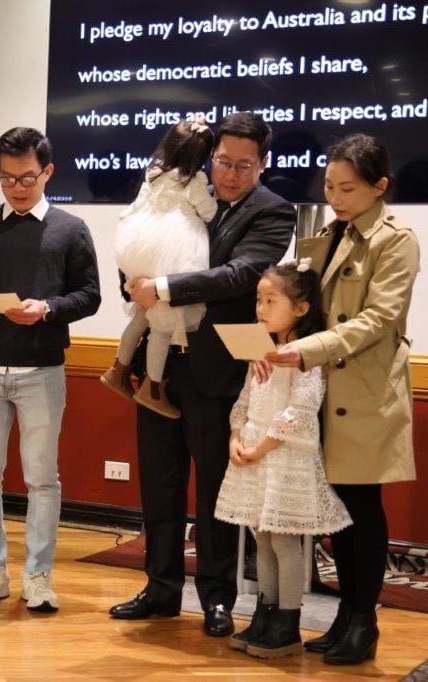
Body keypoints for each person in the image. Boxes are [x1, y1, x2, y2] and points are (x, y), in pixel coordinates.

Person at [109, 112, 295, 637]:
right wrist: (135, 279)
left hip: (218, 372)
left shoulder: (273, 212)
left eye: (243, 166)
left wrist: (164, 287)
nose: (229, 174)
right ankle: (160, 588)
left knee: (216, 489)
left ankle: (216, 597)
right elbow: (141, 242)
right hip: (161, 367)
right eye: (223, 162)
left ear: (262, 164)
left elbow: (240, 275)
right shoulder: (182, 191)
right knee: (159, 482)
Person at [262, 133, 419, 665]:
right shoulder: (326, 234)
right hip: (320, 390)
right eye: (329, 186)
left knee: (360, 507)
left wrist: (307, 349)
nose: (335, 197)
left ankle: (363, 620)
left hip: (364, 392)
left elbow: (378, 319)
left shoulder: (395, 241)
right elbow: (301, 303)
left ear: (380, 186)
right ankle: (343, 615)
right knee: (334, 512)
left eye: (347, 188)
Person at [0, 127, 100, 612]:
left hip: (42, 372)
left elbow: (90, 296)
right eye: (7, 178)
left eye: (27, 178)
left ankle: (38, 575)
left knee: (41, 478)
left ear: (47, 172)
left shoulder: (70, 229)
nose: (17, 187)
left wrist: (48, 309)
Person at [215, 260, 352, 658]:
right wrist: (236, 437)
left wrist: (260, 447)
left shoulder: (305, 358)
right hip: (256, 454)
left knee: (284, 540)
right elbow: (244, 401)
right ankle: (266, 612)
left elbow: (300, 412)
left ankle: (287, 622)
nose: (260, 309)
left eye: (271, 301)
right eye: (258, 300)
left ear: (301, 308)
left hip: (285, 457)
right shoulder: (260, 351)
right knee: (263, 537)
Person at [102, 119, 217, 418]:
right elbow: (208, 212)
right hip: (173, 254)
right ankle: (152, 389)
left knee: (143, 314)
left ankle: (118, 369)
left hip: (139, 245)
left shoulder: (153, 173)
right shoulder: (194, 180)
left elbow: (137, 207)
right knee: (163, 326)